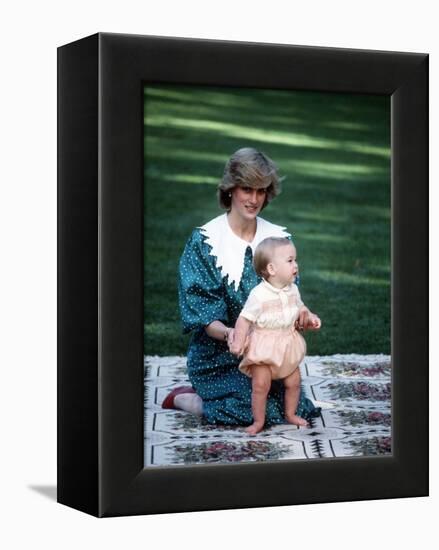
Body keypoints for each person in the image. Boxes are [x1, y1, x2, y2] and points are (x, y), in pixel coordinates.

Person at [162, 147, 321, 427]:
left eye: (261, 191)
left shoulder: (277, 240)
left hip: (268, 354)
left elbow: (289, 297)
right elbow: (204, 314)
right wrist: (231, 334)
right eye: (247, 189)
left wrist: (300, 317)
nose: (254, 199)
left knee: (296, 408)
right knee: (252, 410)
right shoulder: (205, 242)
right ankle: (188, 398)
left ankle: (221, 399)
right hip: (219, 355)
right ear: (230, 189)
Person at [230, 237, 321, 435]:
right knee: (261, 385)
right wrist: (238, 341)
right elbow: (244, 319)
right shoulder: (259, 295)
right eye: (290, 261)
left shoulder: (293, 290)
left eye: (295, 260)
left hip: (287, 345)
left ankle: (290, 413)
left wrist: (310, 317)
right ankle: (258, 421)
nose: (296, 265)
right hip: (264, 347)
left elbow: (300, 308)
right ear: (271, 269)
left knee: (294, 382)